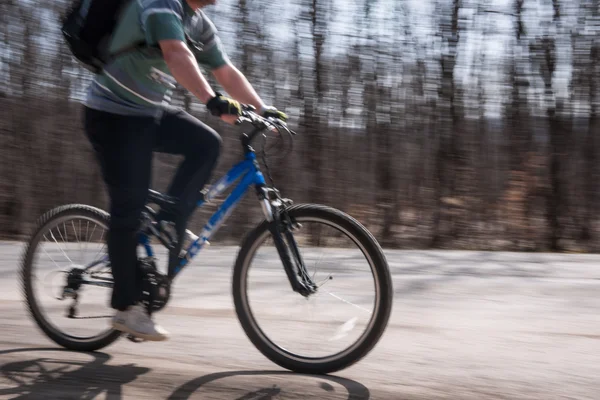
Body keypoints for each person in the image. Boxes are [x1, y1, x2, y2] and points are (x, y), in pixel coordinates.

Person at [82, 0, 287, 341]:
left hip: (148, 113)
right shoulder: (161, 4)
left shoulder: (199, 23)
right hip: (112, 115)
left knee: (205, 144)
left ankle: (168, 219)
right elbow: (177, 55)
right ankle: (127, 308)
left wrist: (263, 109)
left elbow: (225, 70)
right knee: (128, 208)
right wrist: (211, 100)